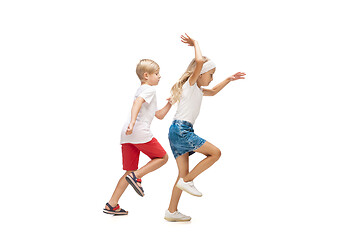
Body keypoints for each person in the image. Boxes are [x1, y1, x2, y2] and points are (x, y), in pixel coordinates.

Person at [164, 34, 246, 222]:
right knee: (215, 153)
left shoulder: (197, 89)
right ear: (199, 74)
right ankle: (187, 181)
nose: (211, 78)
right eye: (211, 74)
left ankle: (171, 211)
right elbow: (199, 60)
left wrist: (229, 79)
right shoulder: (191, 84)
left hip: (176, 131)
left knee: (182, 174)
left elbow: (214, 91)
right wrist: (196, 43)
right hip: (181, 130)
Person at [104, 59, 172, 215]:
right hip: (139, 132)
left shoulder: (141, 90)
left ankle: (112, 204)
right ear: (146, 75)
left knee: (129, 172)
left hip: (127, 135)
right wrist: (133, 123)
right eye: (157, 73)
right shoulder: (149, 89)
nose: (160, 76)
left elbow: (159, 115)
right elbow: (137, 103)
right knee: (163, 158)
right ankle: (137, 177)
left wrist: (170, 103)